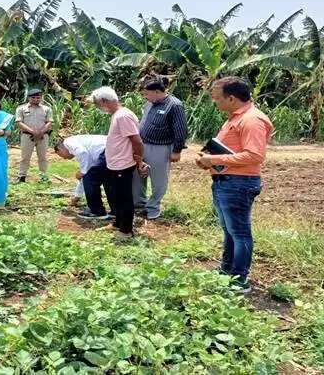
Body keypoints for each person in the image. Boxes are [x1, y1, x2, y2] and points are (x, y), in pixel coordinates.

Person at [195, 77, 274, 294]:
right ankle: (227, 270)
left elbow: (254, 155)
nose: (214, 102)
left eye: (217, 98)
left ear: (231, 98)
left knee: (239, 232)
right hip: (227, 181)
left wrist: (213, 160)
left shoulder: (251, 120)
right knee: (230, 231)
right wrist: (207, 159)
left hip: (238, 183)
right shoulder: (235, 118)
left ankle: (239, 279)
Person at [90, 86, 145, 238]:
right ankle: (118, 223)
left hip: (123, 163)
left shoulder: (122, 116)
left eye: (97, 104)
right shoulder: (117, 115)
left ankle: (126, 230)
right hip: (115, 163)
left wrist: (139, 159)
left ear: (104, 101)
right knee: (116, 196)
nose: (98, 107)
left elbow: (137, 141)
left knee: (124, 197)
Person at [133, 77, 188, 220]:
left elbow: (181, 130)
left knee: (158, 180)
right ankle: (139, 205)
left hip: (161, 148)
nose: (145, 97)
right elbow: (143, 121)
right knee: (137, 175)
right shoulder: (149, 104)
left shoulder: (174, 105)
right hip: (143, 145)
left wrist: (177, 151)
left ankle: (153, 208)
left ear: (157, 92)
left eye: (147, 94)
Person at [54, 134, 113, 219]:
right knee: (107, 179)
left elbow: (83, 153)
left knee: (90, 178)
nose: (64, 158)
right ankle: (116, 211)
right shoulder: (86, 150)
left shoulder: (68, 143)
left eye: (61, 155)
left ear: (60, 149)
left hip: (107, 150)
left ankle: (97, 211)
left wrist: (82, 172)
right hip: (112, 148)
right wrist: (77, 196)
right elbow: (85, 173)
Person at [15, 89, 53, 183]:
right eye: (33, 97)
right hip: (27, 136)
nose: (36, 99)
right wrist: (32, 131)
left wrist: (40, 132)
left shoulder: (47, 109)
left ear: (41, 98)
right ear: (29, 98)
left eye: (38, 98)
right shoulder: (21, 109)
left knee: (43, 157)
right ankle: (22, 176)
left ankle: (43, 177)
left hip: (43, 136)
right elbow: (19, 122)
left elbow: (49, 122)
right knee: (25, 157)